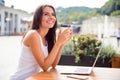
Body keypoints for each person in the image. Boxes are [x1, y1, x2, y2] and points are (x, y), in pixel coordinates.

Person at [10, 4, 72, 80]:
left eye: (53, 14)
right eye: (46, 14)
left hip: (34, 78)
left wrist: (62, 43)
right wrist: (58, 43)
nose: (51, 17)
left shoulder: (48, 38)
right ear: (38, 18)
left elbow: (53, 64)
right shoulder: (33, 35)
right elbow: (45, 66)